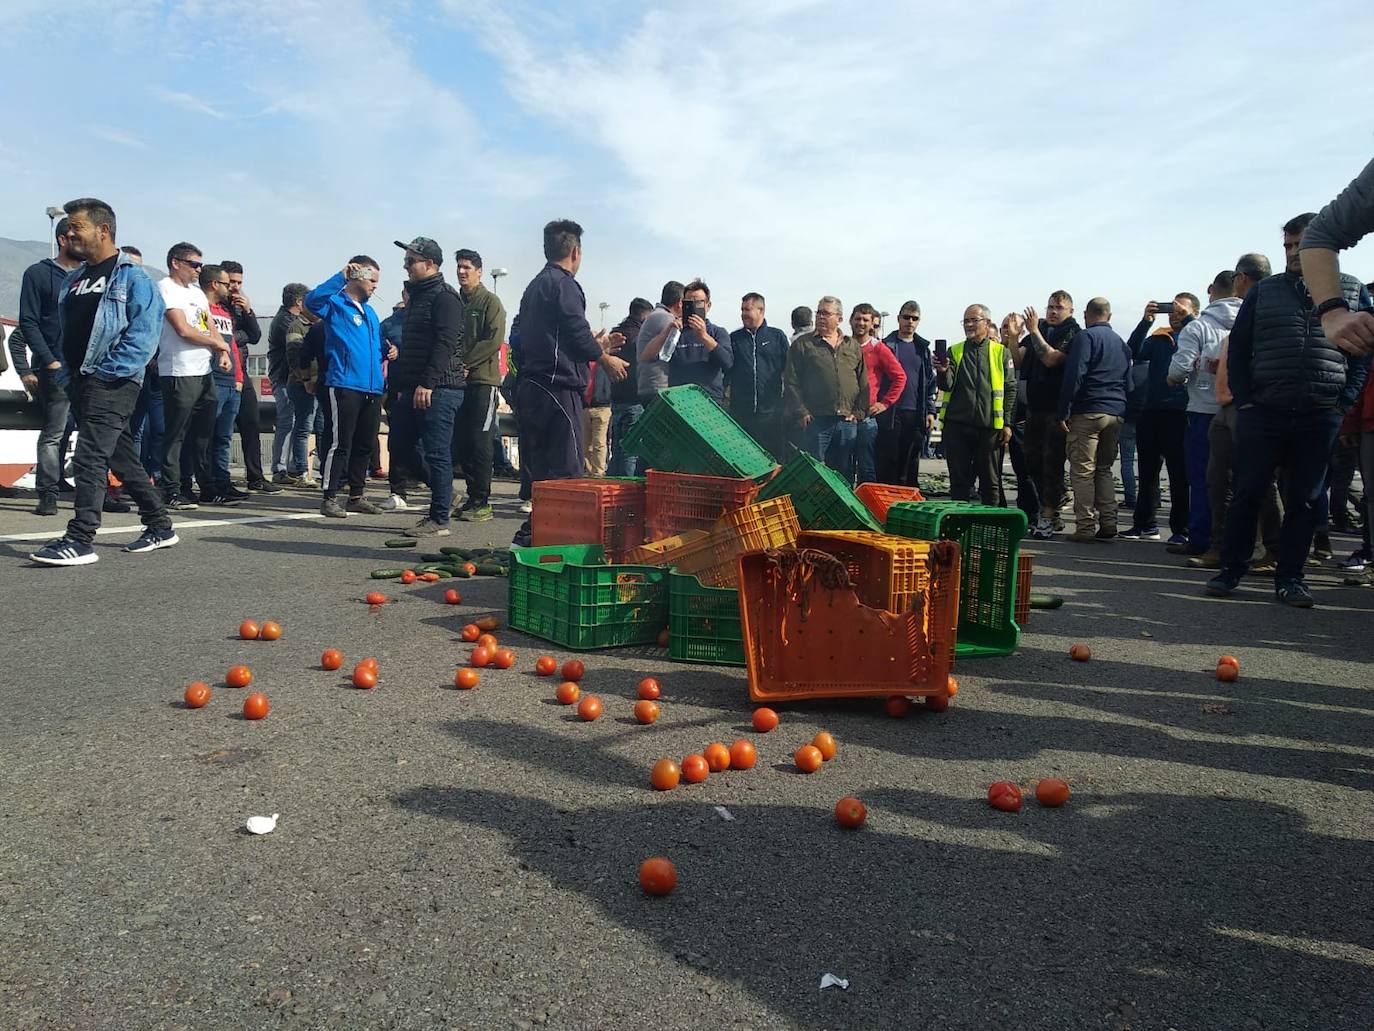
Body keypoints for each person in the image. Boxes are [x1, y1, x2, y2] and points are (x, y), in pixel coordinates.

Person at [1207, 213, 1372, 607]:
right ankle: (1231, 569)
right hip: (1263, 411)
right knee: (1247, 491)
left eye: (1301, 244)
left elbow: (1364, 351)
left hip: (1320, 412)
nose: (1294, 252)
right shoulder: (1264, 292)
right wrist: (1246, 400)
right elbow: (1240, 347)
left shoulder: (1352, 290)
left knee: (1306, 499)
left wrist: (1342, 402)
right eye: (1288, 245)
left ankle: (1291, 578)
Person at [28, 198, 176, 566]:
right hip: (79, 380)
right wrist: (68, 374)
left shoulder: (132, 277)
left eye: (77, 226)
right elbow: (67, 332)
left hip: (112, 381)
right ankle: (160, 524)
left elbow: (144, 336)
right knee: (120, 457)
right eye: (67, 227)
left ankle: (80, 538)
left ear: (103, 230)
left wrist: (108, 373)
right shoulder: (74, 279)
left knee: (89, 455)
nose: (69, 233)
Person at [509, 219, 628, 547]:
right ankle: (546, 540)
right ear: (575, 252)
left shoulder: (534, 287)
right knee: (566, 472)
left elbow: (558, 337)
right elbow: (575, 330)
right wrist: (604, 358)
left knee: (544, 473)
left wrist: (596, 347)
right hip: (557, 388)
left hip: (533, 386)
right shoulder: (564, 285)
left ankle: (530, 540)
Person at [1194, 254, 1279, 571]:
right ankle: (1222, 547)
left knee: (1259, 482)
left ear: (1242, 278)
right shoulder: (1248, 308)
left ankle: (1273, 551)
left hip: (1249, 405)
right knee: (1218, 481)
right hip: (1226, 404)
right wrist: (1224, 367)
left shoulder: (1268, 306)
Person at [388, 237, 465, 537]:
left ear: (430, 264)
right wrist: (402, 386)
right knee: (400, 446)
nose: (406, 266)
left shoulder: (445, 298)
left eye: (411, 261)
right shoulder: (417, 298)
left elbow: (445, 343)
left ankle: (439, 518)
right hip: (412, 386)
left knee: (437, 452)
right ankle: (445, 492)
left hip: (439, 388)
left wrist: (427, 383)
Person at [305, 256, 392, 518]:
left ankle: (357, 495)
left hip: (371, 387)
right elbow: (311, 301)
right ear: (358, 275)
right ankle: (329, 496)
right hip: (344, 383)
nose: (375, 286)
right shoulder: (336, 303)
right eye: (372, 280)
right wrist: (342, 276)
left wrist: (389, 352)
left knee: (364, 444)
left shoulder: (371, 313)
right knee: (339, 442)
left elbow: (374, 347)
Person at [1166, 271, 1241, 557]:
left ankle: (1201, 538)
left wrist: (1172, 379)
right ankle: (1235, 541)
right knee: (1237, 480)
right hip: (1241, 410)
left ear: (1211, 290)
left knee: (1202, 479)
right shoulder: (1251, 321)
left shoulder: (1198, 327)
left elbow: (1179, 369)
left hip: (1203, 410)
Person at [157, 242, 234, 510]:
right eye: (194, 265)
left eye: (200, 265)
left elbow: (208, 324)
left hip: (203, 371)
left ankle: (207, 488)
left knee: (203, 433)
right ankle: (172, 489)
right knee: (176, 433)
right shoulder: (165, 288)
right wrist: (217, 344)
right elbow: (182, 329)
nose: (198, 270)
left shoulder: (197, 293)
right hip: (179, 370)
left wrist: (221, 351)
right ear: (176, 263)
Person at [1121, 293, 1198, 542]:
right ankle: (1145, 524)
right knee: (1147, 471)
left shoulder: (1197, 334)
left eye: (1181, 310)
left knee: (1178, 474)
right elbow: (1133, 350)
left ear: (1194, 312)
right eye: (1172, 310)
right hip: (1152, 410)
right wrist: (1146, 322)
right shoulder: (1159, 338)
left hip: (1181, 412)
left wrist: (1188, 321)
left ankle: (1181, 529)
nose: (1175, 315)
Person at [19, 217, 81, 516]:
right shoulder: (39, 274)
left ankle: (95, 492)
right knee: (54, 433)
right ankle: (47, 492)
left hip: (88, 369)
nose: (83, 242)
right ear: (62, 239)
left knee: (95, 433)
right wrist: (49, 360)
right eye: (76, 236)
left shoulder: (90, 276)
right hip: (56, 369)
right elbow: (28, 323)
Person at [1056, 298, 1130, 542]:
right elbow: (1129, 381)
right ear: (1109, 316)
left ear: (1086, 314)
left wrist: (1064, 410)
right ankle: (1109, 521)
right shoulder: (1120, 342)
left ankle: (1085, 526)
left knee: (1082, 471)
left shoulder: (1085, 338)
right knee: (1104, 469)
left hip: (1089, 410)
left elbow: (1075, 374)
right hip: (1115, 411)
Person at [1013, 291, 1080, 540]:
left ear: (1070, 311)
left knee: (1051, 464)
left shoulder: (1072, 332)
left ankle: (1048, 516)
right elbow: (1017, 360)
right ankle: (1054, 503)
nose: (1053, 312)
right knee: (1032, 462)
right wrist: (1013, 337)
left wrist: (1033, 331)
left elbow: (1052, 359)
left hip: (1056, 409)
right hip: (1034, 407)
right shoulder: (1038, 329)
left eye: (1058, 308)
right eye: (1050, 307)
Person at [936, 304, 1016, 504]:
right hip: (958, 426)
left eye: (974, 320)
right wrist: (943, 371)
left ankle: (991, 520)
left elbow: (1010, 389)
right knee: (959, 482)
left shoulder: (1001, 352)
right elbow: (946, 385)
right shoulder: (955, 351)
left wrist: (1007, 423)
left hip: (988, 428)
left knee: (990, 482)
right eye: (966, 321)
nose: (969, 325)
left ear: (987, 323)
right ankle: (958, 521)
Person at [453, 248, 508, 521]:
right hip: (456, 381)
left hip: (483, 381)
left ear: (479, 271)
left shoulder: (490, 302)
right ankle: (471, 496)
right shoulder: (455, 301)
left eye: (467, 267)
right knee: (462, 441)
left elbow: (493, 339)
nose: (462, 272)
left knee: (480, 441)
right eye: (459, 267)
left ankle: (482, 500)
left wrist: (466, 363)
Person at [783, 296, 867, 475]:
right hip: (816, 421)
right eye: (819, 313)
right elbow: (791, 381)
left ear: (839, 319)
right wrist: (801, 411)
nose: (821, 317)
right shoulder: (803, 344)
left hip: (846, 421)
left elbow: (863, 381)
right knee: (815, 472)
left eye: (826, 313)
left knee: (844, 472)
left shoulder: (852, 345)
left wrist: (858, 412)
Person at [219, 260, 278, 494]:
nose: (235, 287)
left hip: (242, 371)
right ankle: (218, 478)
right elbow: (224, 337)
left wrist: (249, 311)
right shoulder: (213, 304)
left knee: (251, 423)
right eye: (231, 282)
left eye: (239, 282)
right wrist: (235, 337)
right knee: (220, 429)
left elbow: (254, 336)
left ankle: (256, 476)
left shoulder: (239, 305)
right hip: (220, 372)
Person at [195, 265, 250, 504]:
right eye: (227, 284)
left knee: (224, 437)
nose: (231, 289)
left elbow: (232, 346)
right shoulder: (201, 308)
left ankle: (223, 482)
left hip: (231, 381)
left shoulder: (226, 312)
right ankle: (207, 485)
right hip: (211, 378)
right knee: (205, 436)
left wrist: (239, 377)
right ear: (214, 284)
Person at [878, 301, 936, 488]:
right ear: (898, 318)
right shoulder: (886, 346)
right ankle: (888, 500)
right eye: (906, 317)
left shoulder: (923, 349)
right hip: (891, 412)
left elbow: (929, 383)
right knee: (889, 461)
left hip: (915, 413)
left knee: (910, 462)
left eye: (914, 318)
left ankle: (909, 498)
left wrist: (930, 411)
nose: (910, 321)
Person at [727, 292, 790, 462]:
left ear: (761, 311)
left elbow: (789, 370)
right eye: (742, 310)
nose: (743, 314)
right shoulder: (734, 338)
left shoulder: (777, 336)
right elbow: (727, 370)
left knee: (773, 458)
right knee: (744, 458)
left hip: (771, 412)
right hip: (742, 412)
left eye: (747, 310)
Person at [852, 301, 906, 485]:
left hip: (866, 418)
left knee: (866, 466)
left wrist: (885, 403)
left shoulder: (879, 349)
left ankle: (867, 501)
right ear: (851, 320)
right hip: (843, 416)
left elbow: (900, 377)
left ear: (872, 323)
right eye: (858, 319)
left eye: (865, 320)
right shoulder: (843, 345)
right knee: (842, 466)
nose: (861, 323)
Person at [267, 283, 310, 484]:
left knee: (296, 423)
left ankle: (290, 466)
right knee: (287, 422)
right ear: (299, 301)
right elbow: (302, 344)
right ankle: (280, 468)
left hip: (290, 378)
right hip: (284, 377)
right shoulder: (286, 322)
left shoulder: (286, 319)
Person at [666, 279, 733, 403]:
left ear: (708, 305)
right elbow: (658, 357)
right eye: (689, 303)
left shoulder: (718, 332)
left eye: (698, 303)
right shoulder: (676, 331)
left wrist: (703, 336)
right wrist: (668, 331)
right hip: (680, 401)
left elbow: (727, 363)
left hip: (709, 400)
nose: (693, 307)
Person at [605, 297, 652, 476]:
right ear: (644, 316)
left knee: (616, 449)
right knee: (630, 451)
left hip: (616, 398)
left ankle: (613, 486)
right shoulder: (639, 337)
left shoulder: (616, 334)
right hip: (634, 399)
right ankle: (626, 488)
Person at [636, 281, 685, 413]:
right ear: (680, 303)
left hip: (648, 385)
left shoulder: (656, 315)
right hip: (659, 385)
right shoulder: (666, 318)